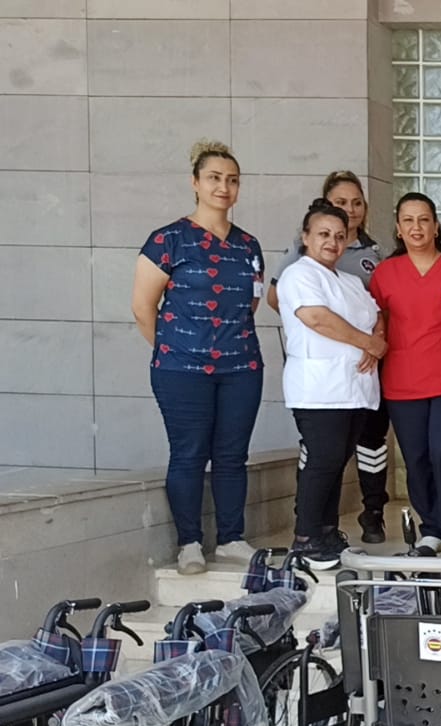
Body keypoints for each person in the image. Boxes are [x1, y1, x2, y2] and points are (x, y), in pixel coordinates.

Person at [132, 139, 265, 576]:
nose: (223, 187)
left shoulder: (249, 246)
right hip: (181, 369)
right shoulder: (167, 240)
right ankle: (189, 543)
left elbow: (249, 305)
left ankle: (231, 538)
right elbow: (142, 307)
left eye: (232, 180)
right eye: (214, 178)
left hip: (241, 367)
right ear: (195, 183)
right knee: (188, 452)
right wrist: (174, 349)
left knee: (232, 454)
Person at [267, 171, 391, 545]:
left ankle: (326, 531)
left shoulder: (349, 280)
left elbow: (377, 312)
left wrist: (377, 337)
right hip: (319, 390)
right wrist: (368, 343)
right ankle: (306, 536)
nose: (332, 242)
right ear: (305, 237)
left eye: (338, 236)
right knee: (322, 463)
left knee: (336, 463)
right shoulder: (298, 275)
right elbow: (317, 318)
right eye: (323, 234)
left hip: (354, 389)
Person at [369, 192, 441, 558]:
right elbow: (377, 321)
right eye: (408, 220)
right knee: (417, 458)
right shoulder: (385, 273)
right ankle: (432, 529)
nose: (417, 227)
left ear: (436, 226)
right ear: (398, 228)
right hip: (402, 382)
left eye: (424, 219)